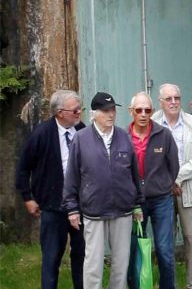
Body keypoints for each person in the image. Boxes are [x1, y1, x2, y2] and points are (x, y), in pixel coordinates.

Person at [63, 92, 144, 289]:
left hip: (123, 210)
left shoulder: (124, 136)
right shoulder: (81, 139)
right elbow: (72, 175)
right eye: (106, 111)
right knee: (93, 263)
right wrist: (72, 208)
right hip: (94, 210)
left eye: (113, 110)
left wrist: (137, 205)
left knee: (121, 263)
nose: (111, 115)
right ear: (94, 114)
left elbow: (134, 174)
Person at [16, 89, 86, 289]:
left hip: (80, 205)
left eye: (79, 109)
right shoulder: (42, 133)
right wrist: (27, 197)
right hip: (52, 205)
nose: (78, 113)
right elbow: (23, 167)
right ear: (59, 113)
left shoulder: (82, 130)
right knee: (51, 258)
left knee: (81, 256)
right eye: (74, 110)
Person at [152, 83, 192, 289]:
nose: (174, 102)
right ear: (160, 101)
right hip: (162, 193)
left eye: (176, 97)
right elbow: (149, 160)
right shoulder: (152, 123)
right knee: (164, 244)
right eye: (169, 99)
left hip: (191, 190)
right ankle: (168, 285)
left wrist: (177, 178)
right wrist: (169, 181)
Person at [127, 91, 181, 289]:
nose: (143, 114)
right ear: (131, 111)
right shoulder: (123, 136)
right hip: (134, 204)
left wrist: (165, 185)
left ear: (153, 111)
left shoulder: (163, 134)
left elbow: (173, 165)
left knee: (165, 251)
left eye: (147, 110)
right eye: (138, 110)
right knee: (135, 250)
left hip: (161, 200)